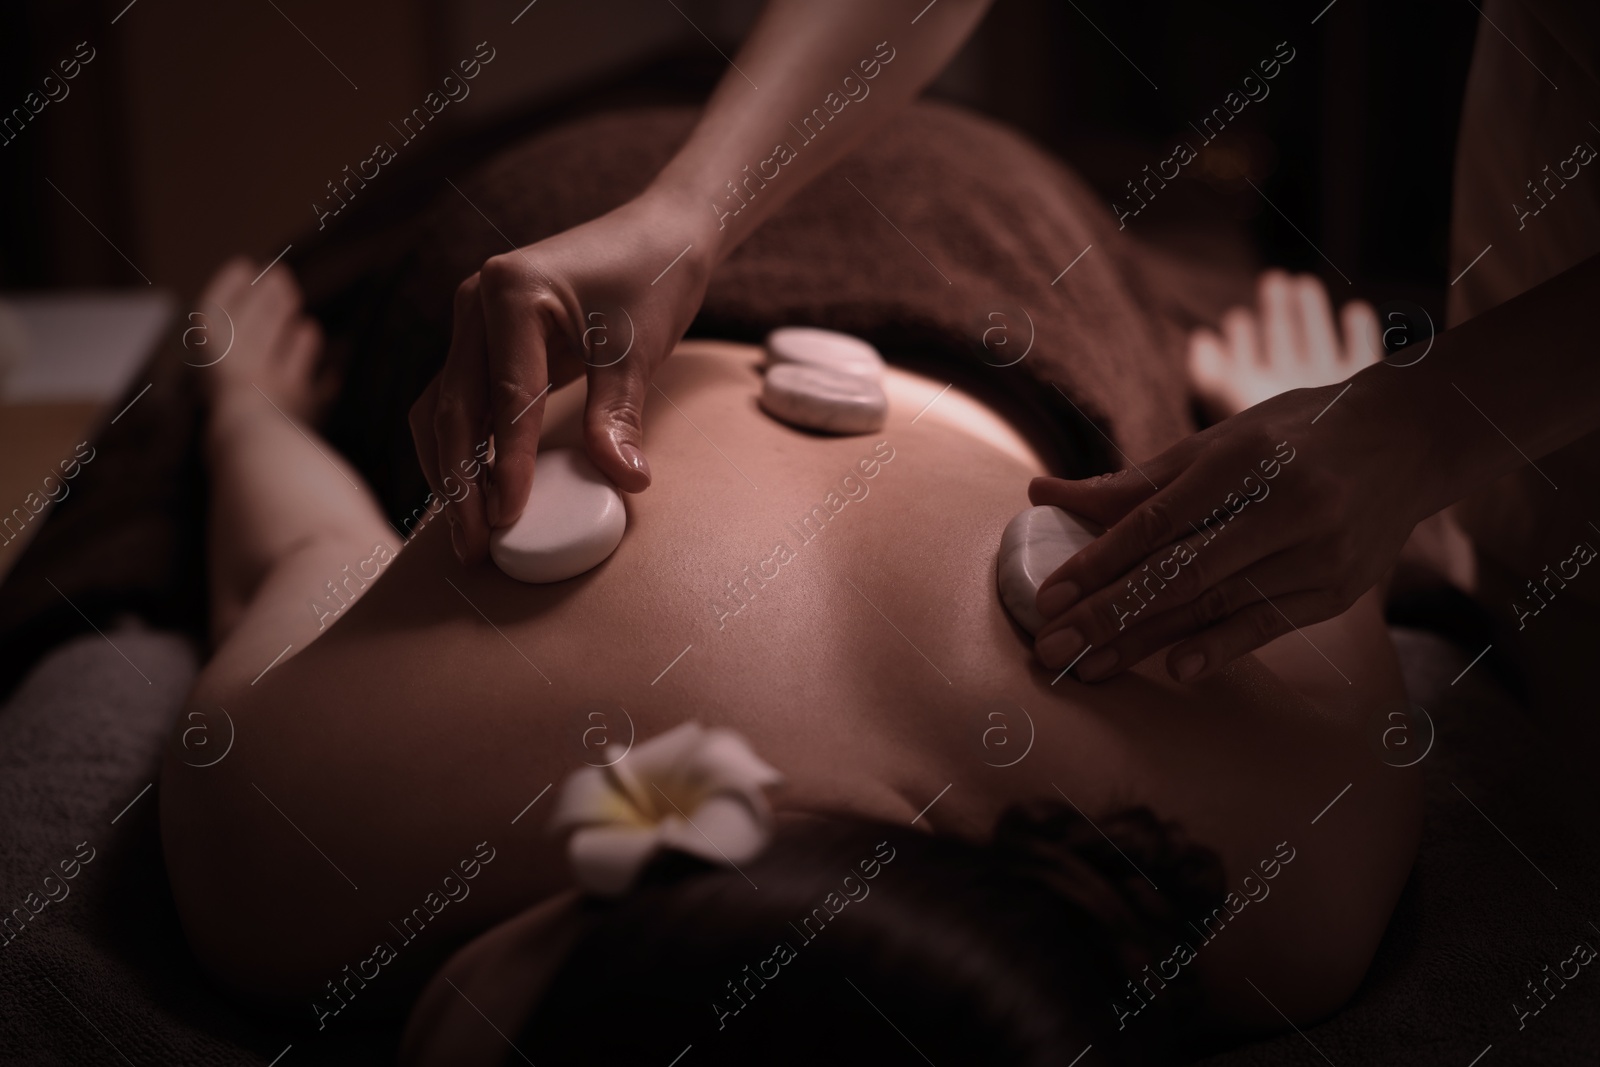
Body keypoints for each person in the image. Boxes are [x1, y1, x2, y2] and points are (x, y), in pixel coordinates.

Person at [161, 254, 1417, 1060]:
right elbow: (303, 542)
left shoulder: (1289, 884)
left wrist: (1331, 404)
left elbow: (1316, 544)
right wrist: (250, 415)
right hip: (591, 278)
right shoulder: (286, 842)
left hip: (1006, 299)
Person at [413, 0, 1600, 685]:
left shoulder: (336, 837)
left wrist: (1416, 431)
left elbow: (297, 552)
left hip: (637, 208)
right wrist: (1413, 436)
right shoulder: (1272, 883)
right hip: (1034, 275)